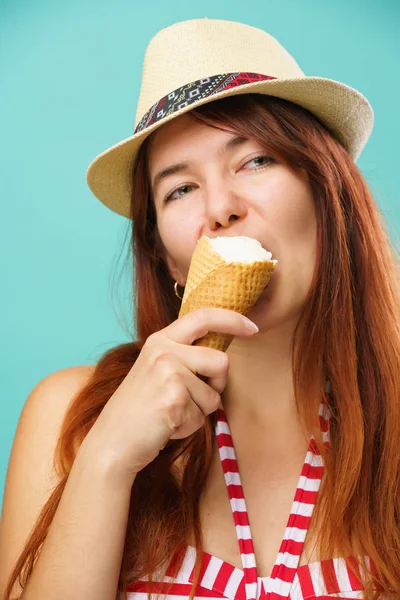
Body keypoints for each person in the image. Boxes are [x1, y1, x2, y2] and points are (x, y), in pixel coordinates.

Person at [1, 17, 399, 600]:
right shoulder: (72, 419)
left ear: (328, 196)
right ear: (169, 260)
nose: (220, 208)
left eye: (256, 160)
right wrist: (107, 461)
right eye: (180, 189)